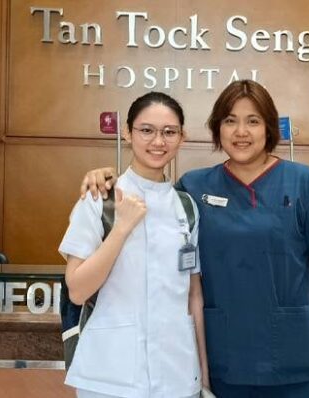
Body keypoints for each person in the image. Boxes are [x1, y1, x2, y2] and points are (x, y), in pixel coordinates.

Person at [80, 80, 309, 397]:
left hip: (297, 359)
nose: (241, 132)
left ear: (268, 128)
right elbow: (148, 200)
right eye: (230, 121)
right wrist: (105, 177)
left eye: (253, 121)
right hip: (224, 360)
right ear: (217, 128)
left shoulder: (305, 183)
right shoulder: (194, 188)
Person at [60, 92, 209, 398]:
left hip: (178, 374)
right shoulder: (100, 197)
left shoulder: (187, 207)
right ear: (127, 132)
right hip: (109, 374)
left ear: (182, 137)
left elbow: (193, 296)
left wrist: (202, 374)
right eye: (146, 130)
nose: (158, 141)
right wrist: (121, 229)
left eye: (169, 132)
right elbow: (77, 290)